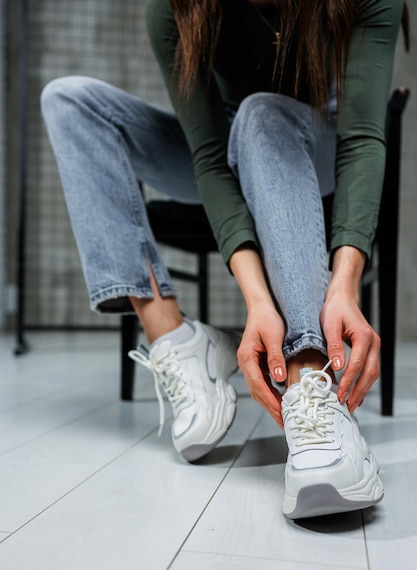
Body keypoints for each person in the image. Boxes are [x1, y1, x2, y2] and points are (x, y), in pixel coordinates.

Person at [41, 0, 409, 518]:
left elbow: (362, 138)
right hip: (227, 149)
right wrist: (258, 302)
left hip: (313, 141)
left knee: (262, 112)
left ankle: (310, 381)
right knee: (69, 101)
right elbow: (210, 159)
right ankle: (175, 338)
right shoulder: (175, 8)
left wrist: (344, 283)